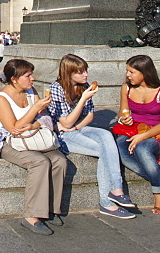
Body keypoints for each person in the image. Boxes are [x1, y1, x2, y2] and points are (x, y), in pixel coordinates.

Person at [0, 58, 67, 236]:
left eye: (31, 74)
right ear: (14, 79)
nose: (32, 79)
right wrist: (34, 109)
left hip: (33, 138)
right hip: (9, 143)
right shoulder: (1, 98)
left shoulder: (31, 91)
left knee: (59, 160)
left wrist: (34, 124)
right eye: (28, 75)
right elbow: (14, 128)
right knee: (39, 162)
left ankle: (51, 210)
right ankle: (31, 216)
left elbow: (45, 118)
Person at [48, 54, 136, 219]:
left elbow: (89, 116)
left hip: (78, 128)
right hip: (62, 136)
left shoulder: (84, 86)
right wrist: (83, 100)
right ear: (69, 73)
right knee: (106, 150)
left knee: (105, 134)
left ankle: (116, 190)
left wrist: (75, 126)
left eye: (85, 71)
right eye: (80, 72)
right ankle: (107, 202)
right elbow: (65, 123)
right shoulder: (57, 88)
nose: (85, 75)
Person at [114, 54, 160, 214]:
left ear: (145, 72)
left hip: (156, 133)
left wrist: (142, 137)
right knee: (121, 149)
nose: (127, 75)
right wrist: (124, 118)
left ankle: (159, 193)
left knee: (142, 149)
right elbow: (122, 112)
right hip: (132, 130)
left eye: (132, 72)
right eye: (127, 71)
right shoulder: (126, 88)